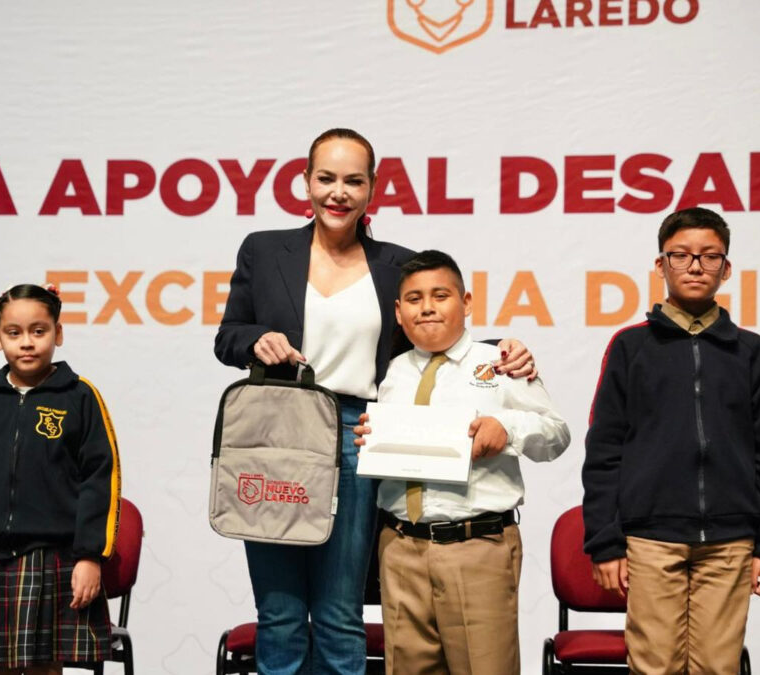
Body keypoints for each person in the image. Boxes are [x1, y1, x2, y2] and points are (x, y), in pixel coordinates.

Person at [213, 128, 536, 674]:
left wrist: (504, 347)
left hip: (360, 434)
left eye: (352, 181)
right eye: (326, 178)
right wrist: (254, 340)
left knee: (341, 612)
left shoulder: (395, 263)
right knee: (280, 613)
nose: (338, 192)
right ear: (306, 181)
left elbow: (435, 323)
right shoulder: (264, 250)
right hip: (276, 433)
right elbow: (228, 337)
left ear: (372, 189)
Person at [583, 207, 760, 674]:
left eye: (710, 257)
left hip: (731, 539)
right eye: (682, 255)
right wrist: (605, 542)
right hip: (651, 537)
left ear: (726, 268)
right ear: (660, 266)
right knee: (654, 665)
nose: (695, 266)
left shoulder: (751, 351)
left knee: (718, 666)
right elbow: (605, 448)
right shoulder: (631, 347)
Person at [354, 249, 570, 675]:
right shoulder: (391, 372)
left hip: (476, 547)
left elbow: (556, 436)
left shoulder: (500, 363)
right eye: (414, 299)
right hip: (400, 548)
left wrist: (506, 427)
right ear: (398, 312)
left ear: (466, 303)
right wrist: (369, 438)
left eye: (440, 295)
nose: (428, 307)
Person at [0, 284, 121, 674]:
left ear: (58, 334)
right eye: (14, 333)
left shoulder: (80, 397)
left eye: (38, 331)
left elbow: (101, 481)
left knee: (45, 667)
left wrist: (90, 556)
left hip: (54, 560)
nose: (26, 343)